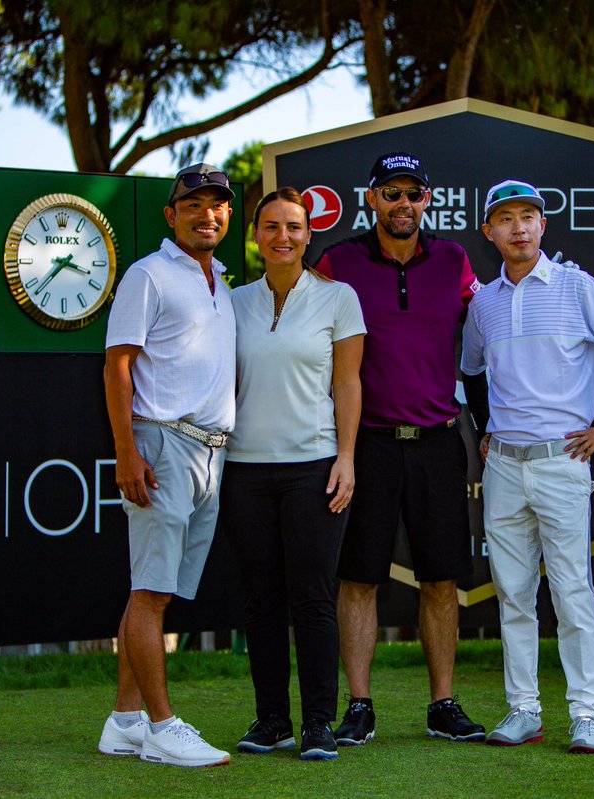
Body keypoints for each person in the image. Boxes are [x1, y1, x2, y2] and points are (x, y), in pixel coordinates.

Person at [460, 179, 594, 755]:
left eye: (529, 217)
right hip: (506, 467)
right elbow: (470, 371)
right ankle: (523, 711)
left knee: (571, 593)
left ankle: (586, 714)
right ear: (489, 232)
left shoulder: (577, 286)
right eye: (506, 218)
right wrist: (486, 427)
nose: (519, 227)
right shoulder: (484, 302)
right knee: (513, 595)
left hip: (562, 462)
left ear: (543, 226)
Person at [315, 151, 486, 745]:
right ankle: (359, 705)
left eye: (413, 193)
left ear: (426, 201)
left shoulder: (454, 260)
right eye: (391, 193)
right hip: (366, 446)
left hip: (439, 442)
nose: (403, 204)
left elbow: (489, 336)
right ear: (372, 200)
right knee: (359, 578)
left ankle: (442, 704)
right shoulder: (337, 262)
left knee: (441, 579)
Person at [97, 163, 237, 769]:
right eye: (195, 205)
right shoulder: (147, 274)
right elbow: (117, 365)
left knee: (157, 593)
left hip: (209, 450)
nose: (208, 214)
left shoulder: (222, 282)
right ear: (171, 215)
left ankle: (124, 720)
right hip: (160, 444)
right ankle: (160, 726)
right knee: (150, 593)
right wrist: (127, 451)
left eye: (219, 205)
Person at [221, 187, 365, 762]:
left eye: (295, 227)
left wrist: (347, 457)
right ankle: (272, 720)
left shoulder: (339, 299)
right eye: (272, 226)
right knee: (261, 602)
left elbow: (348, 384)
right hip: (244, 470)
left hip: (315, 468)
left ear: (310, 235)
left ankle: (319, 724)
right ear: (255, 236)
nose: (283, 236)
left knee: (312, 599)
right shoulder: (230, 302)